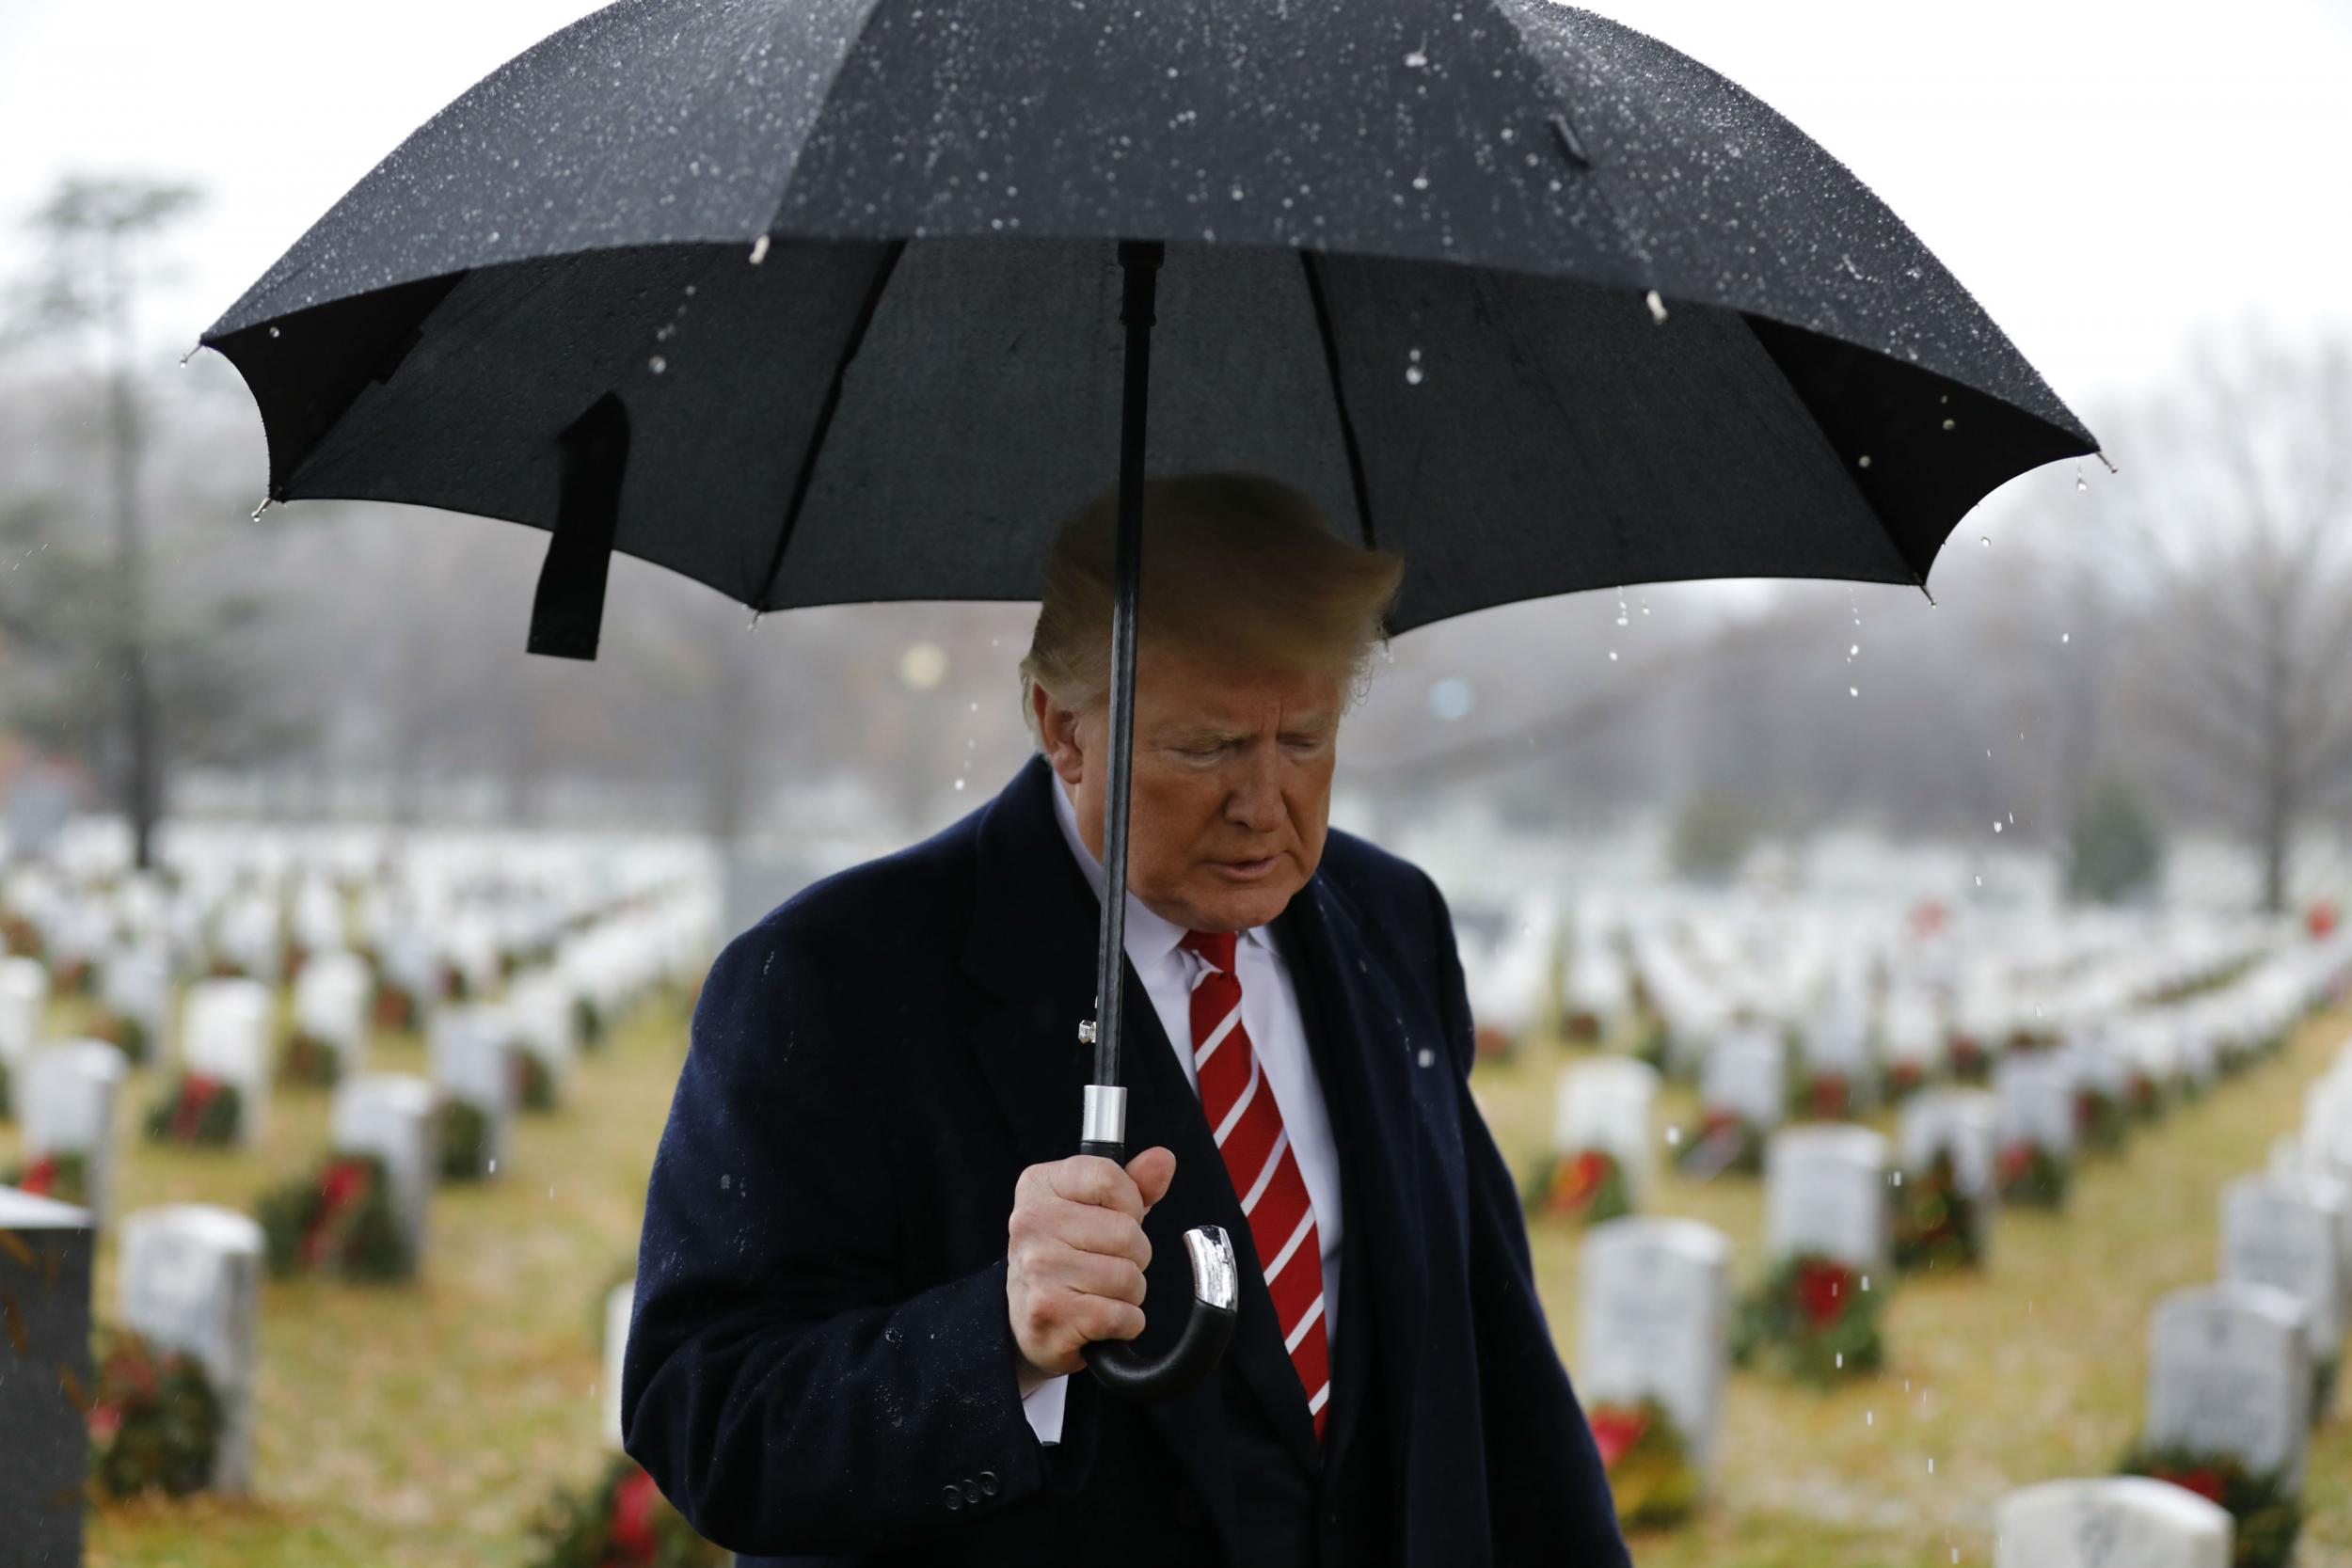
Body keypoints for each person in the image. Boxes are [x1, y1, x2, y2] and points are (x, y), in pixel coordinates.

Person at [622, 473, 1629, 1568]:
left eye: (1303, 738)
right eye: (1202, 748)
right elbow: (708, 1415)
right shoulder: (829, 977)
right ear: (1063, 728)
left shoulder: (1392, 922)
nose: (1261, 802)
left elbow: (1491, 1353)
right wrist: (996, 1337)